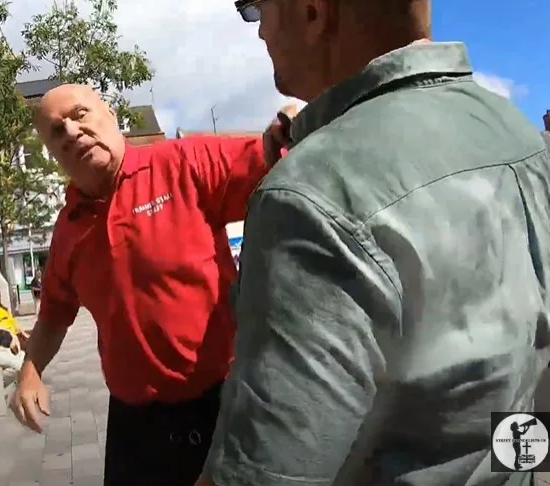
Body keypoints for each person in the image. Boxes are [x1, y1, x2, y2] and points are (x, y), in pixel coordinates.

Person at [197, 1, 550, 486]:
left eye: (258, 7)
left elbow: (269, 473)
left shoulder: (309, 190)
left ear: (314, 12)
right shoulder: (522, 135)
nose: (260, 34)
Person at [9, 83, 293, 485]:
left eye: (79, 115)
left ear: (109, 114)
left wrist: (290, 126)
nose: (71, 132)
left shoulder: (182, 163)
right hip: (134, 421)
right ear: (52, 153)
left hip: (221, 404)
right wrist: (30, 372)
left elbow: (271, 156)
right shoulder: (68, 229)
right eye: (57, 131)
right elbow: (55, 312)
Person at [0, 280, 30, 349]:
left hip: (15, 335)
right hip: (3, 338)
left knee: (35, 345)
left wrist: (23, 333)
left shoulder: (3, 309)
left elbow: (13, 323)